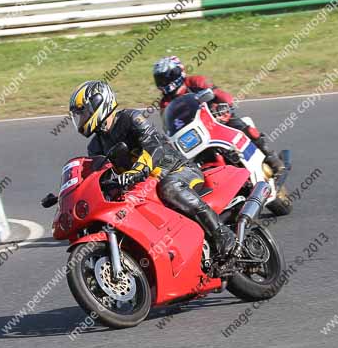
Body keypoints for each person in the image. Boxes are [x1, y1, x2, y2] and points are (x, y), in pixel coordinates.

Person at [69, 80, 236, 258]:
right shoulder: (95, 146)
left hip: (175, 170)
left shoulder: (130, 118)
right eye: (80, 115)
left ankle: (221, 232)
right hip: (142, 185)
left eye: (84, 112)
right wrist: (74, 192)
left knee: (169, 188)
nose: (82, 118)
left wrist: (140, 168)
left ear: (99, 103)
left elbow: (153, 145)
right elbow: (99, 174)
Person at [153, 56, 285, 174]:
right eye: (160, 79)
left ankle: (270, 157)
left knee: (243, 128)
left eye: (166, 77)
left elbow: (222, 96)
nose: (164, 82)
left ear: (177, 72)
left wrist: (223, 106)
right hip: (194, 133)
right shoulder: (165, 102)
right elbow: (169, 124)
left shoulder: (196, 82)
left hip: (217, 119)